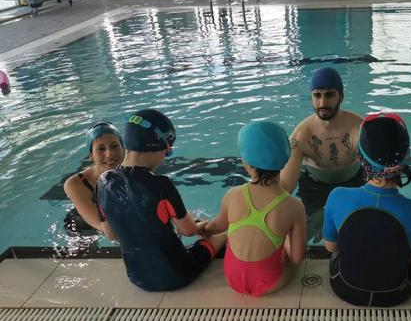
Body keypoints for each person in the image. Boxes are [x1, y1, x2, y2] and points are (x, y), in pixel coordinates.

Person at [95, 109, 225, 292]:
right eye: (168, 152)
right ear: (158, 147)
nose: (165, 158)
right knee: (220, 235)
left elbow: (111, 234)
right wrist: (202, 226)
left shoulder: (102, 182)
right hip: (177, 274)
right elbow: (189, 231)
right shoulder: (160, 184)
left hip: (137, 276)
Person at [323, 113, 411, 307]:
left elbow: (331, 247)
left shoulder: (337, 196)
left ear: (359, 158)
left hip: (345, 287)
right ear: (406, 158)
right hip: (396, 294)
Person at [199, 121, 307, 296]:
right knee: (292, 259)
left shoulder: (232, 195)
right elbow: (297, 256)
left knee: (230, 234)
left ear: (246, 163)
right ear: (286, 160)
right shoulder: (294, 206)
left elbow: (216, 227)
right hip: (271, 284)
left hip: (232, 279)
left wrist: (202, 228)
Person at [279, 67, 364, 243]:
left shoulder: (359, 128)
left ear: (341, 96)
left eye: (330, 94)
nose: (322, 103)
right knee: (309, 233)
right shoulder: (301, 136)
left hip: (353, 182)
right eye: (317, 95)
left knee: (357, 231)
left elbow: (377, 172)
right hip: (314, 187)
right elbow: (286, 186)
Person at [63, 122, 124, 236]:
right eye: (101, 149)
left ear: (123, 148)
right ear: (91, 155)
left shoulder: (134, 171)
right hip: (82, 228)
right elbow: (108, 231)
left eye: (115, 146)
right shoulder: (76, 183)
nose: (109, 154)